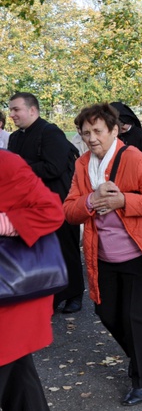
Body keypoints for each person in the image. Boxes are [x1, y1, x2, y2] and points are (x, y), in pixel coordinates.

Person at [63, 103, 142, 406]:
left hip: (139, 254)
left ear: (113, 130)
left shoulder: (133, 158)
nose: (92, 138)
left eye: (98, 131)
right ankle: (139, 356)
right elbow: (69, 211)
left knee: (136, 317)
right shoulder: (83, 165)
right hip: (102, 257)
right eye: (86, 133)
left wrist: (123, 200)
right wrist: (89, 201)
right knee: (106, 313)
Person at [8, 92, 84, 314]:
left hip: (57, 204)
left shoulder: (50, 133)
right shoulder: (15, 137)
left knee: (65, 249)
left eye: (16, 109)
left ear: (32, 110)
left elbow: (54, 167)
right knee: (41, 253)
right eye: (11, 110)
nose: (11, 114)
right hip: (28, 206)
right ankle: (48, 294)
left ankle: (74, 294)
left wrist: (21, 169)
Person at [0, 150, 65, 411]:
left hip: (9, 299)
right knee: (20, 382)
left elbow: (51, 211)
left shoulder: (6, 164)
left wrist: (4, 223)